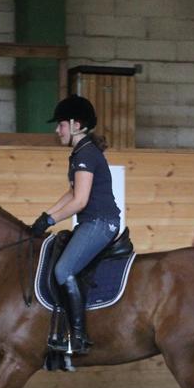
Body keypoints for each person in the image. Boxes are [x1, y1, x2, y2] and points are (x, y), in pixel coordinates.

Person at [29, 94, 122, 354]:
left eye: (60, 124)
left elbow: (80, 201)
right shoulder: (80, 153)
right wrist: (45, 216)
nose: (56, 129)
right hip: (93, 222)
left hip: (101, 222)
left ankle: (78, 337)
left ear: (76, 125)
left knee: (63, 270)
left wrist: (51, 219)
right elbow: (71, 194)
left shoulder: (87, 154)